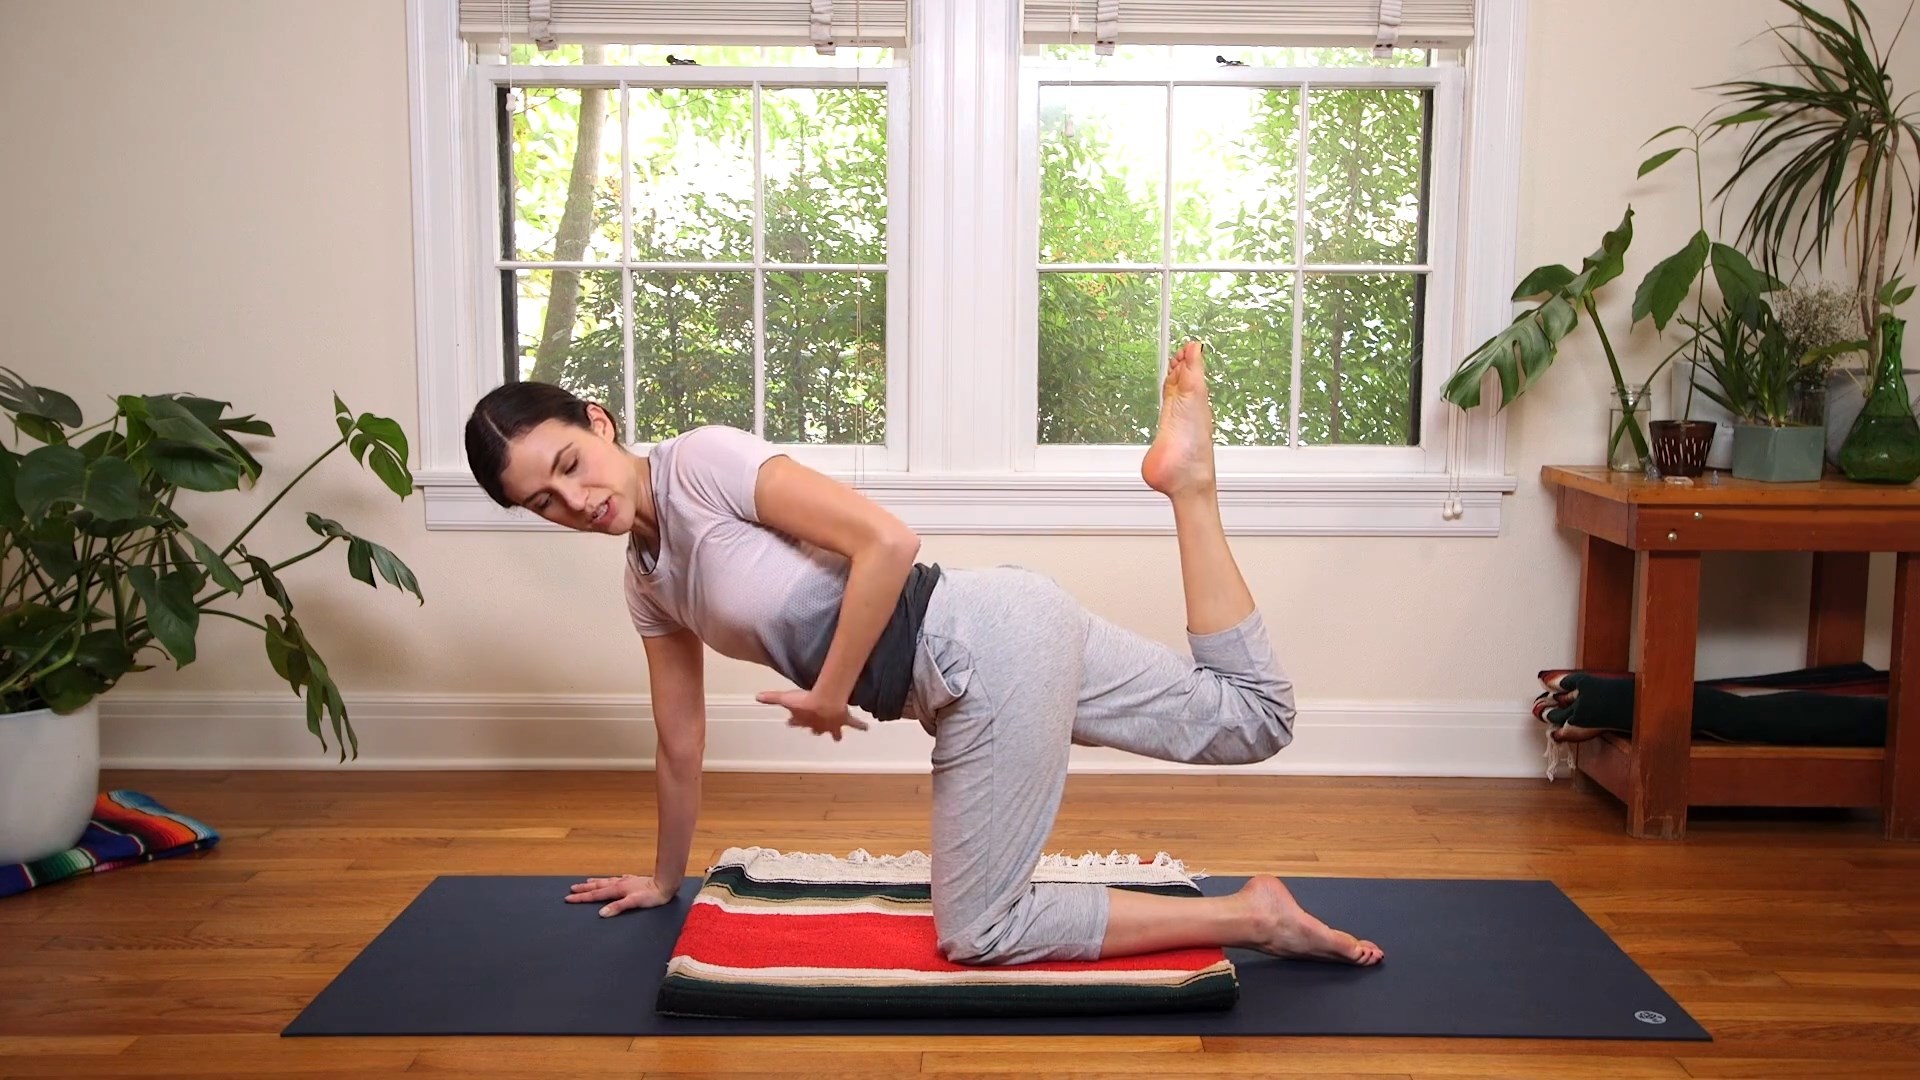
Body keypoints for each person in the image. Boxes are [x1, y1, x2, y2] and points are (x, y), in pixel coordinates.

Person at [464, 342, 1383, 967]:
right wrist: (667, 879)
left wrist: (830, 690)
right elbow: (679, 742)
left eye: (569, 464)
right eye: (543, 501)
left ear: (599, 422)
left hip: (977, 647)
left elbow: (888, 542)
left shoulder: (701, 463)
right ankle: (1190, 485)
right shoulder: (647, 580)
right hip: (997, 634)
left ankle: (1250, 917)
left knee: (979, 930)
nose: (574, 500)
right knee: (1251, 720)